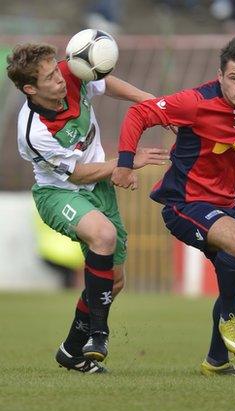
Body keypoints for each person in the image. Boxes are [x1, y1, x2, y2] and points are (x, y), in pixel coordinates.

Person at [111, 35, 235, 377]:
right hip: (183, 204)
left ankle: (216, 363)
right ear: (220, 75)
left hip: (223, 204)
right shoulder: (195, 102)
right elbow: (140, 112)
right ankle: (229, 317)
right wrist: (124, 164)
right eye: (233, 78)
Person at [7, 43, 169, 374]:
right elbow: (78, 173)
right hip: (59, 194)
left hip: (100, 188)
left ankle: (71, 350)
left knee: (114, 282)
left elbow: (105, 82)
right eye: (50, 77)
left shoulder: (70, 73)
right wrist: (126, 162)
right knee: (104, 235)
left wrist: (148, 100)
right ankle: (100, 334)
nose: (60, 78)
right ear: (30, 88)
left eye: (58, 70)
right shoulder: (34, 130)